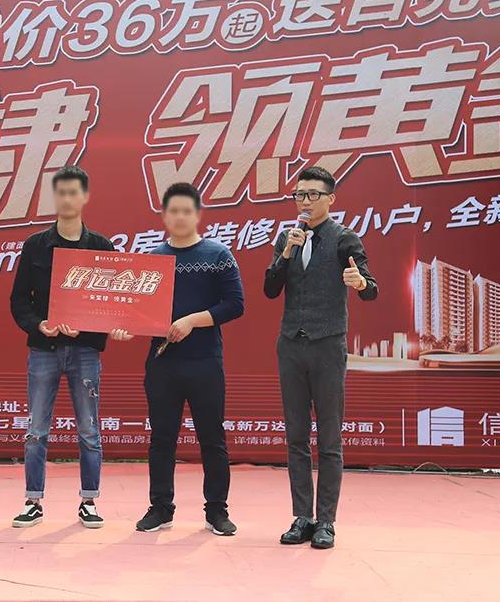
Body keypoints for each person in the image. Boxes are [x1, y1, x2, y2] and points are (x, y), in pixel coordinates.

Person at [116, 183, 244, 536]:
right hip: (162, 363)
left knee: (212, 439)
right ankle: (161, 508)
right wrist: (125, 329)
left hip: (205, 361)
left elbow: (235, 304)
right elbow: (137, 313)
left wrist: (191, 321)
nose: (180, 217)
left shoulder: (218, 254)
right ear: (164, 215)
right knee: (162, 438)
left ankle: (216, 511)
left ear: (198, 214)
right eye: (173, 211)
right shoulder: (152, 260)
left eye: (187, 211)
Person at [264, 166, 378, 549]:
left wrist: (360, 283)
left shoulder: (345, 238)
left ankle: (326, 521)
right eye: (300, 194)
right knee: (296, 435)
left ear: (331, 198)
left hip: (328, 345)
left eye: (313, 194)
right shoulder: (287, 238)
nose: (305, 201)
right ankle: (302, 517)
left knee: (329, 437)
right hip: (290, 345)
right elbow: (270, 288)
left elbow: (370, 287)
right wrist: (285, 254)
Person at [9, 165, 114, 528]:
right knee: (36, 429)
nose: (67, 199)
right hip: (44, 350)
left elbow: (110, 302)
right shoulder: (35, 245)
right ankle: (33, 500)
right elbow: (19, 300)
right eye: (61, 192)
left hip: (85, 352)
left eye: (74, 192)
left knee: (89, 429)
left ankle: (89, 500)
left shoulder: (101, 247)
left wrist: (102, 325)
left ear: (85, 197)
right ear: (55, 197)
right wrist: (40, 324)